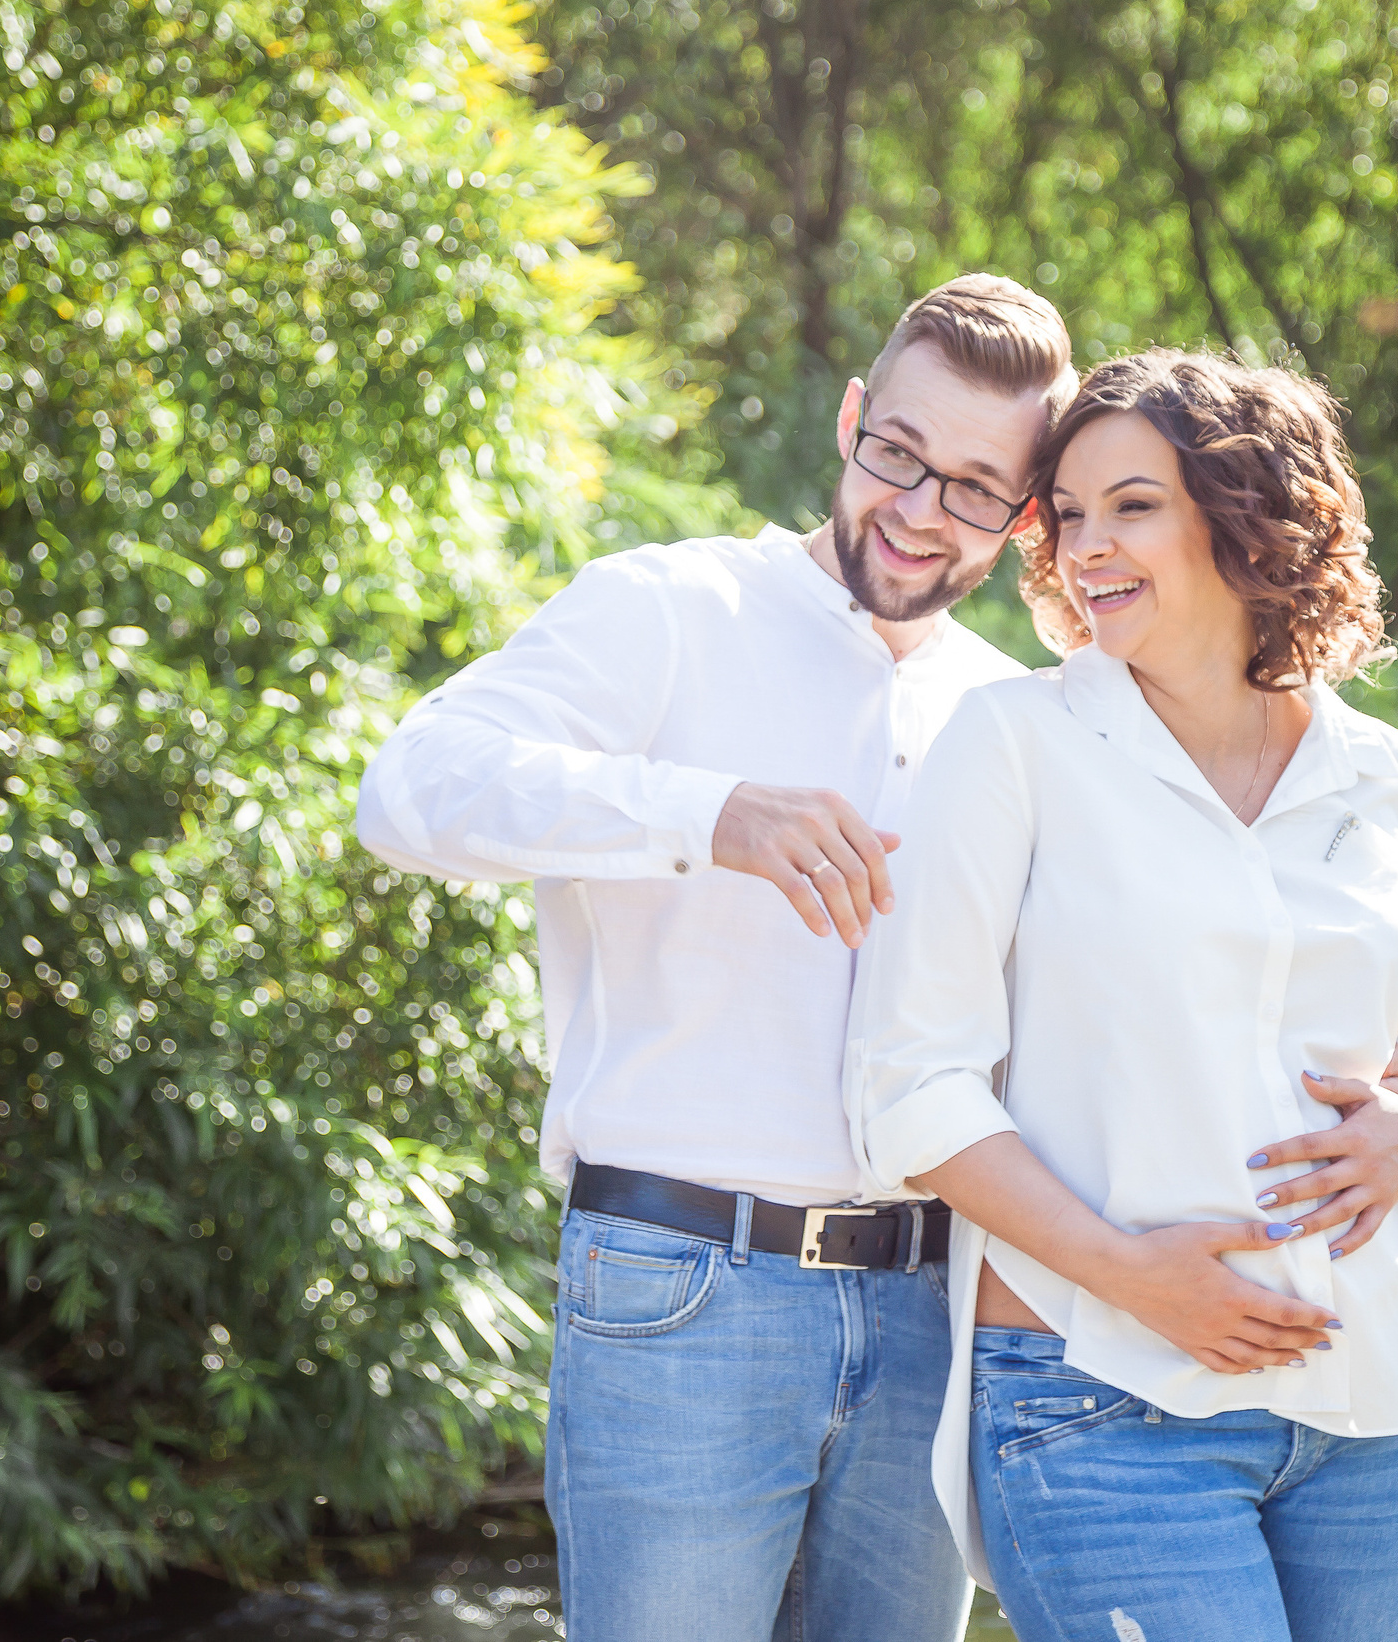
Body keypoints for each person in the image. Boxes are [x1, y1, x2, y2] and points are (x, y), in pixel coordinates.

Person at [353, 275, 1077, 1640]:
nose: (921, 510)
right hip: (681, 1288)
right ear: (853, 418)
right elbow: (410, 790)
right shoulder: (667, 608)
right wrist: (707, 814)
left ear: (1026, 513)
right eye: (900, 455)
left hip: (932, 1307)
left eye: (977, 488)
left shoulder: (1010, 715)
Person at [844, 350, 1398, 1642]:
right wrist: (1135, 1275)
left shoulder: (1390, 780)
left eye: (1133, 505)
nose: (1089, 544)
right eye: (1072, 513)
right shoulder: (1015, 745)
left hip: (1377, 1405)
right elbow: (908, 1088)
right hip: (1099, 1393)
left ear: (1246, 515)